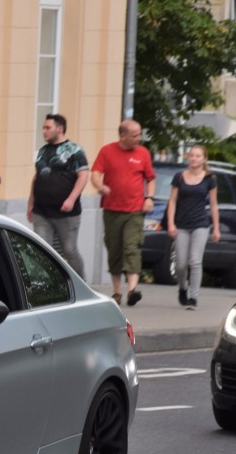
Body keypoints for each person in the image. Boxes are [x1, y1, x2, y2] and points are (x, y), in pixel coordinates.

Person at [91, 119, 156, 306]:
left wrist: (149, 198)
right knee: (115, 249)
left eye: (140, 134)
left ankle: (132, 290)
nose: (139, 138)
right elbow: (95, 173)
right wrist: (100, 186)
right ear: (122, 136)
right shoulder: (107, 151)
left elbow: (150, 178)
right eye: (135, 135)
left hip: (135, 210)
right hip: (112, 209)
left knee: (132, 246)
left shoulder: (143, 153)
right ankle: (117, 292)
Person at [27, 113, 89, 278]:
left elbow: (83, 176)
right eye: (43, 127)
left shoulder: (75, 150)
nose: (44, 131)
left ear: (59, 129)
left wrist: (71, 198)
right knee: (42, 250)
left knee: (69, 250)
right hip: (41, 211)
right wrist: (30, 203)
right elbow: (37, 177)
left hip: (66, 212)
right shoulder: (42, 151)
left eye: (48, 127)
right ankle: (52, 287)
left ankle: (82, 285)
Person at [166, 144, 221, 311]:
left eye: (198, 156)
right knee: (181, 263)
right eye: (191, 155)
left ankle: (193, 297)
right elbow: (173, 201)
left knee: (195, 261)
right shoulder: (179, 177)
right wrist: (170, 223)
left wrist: (216, 228)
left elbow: (213, 204)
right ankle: (182, 287)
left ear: (204, 159)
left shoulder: (209, 179)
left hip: (200, 224)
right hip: (182, 224)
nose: (194, 158)